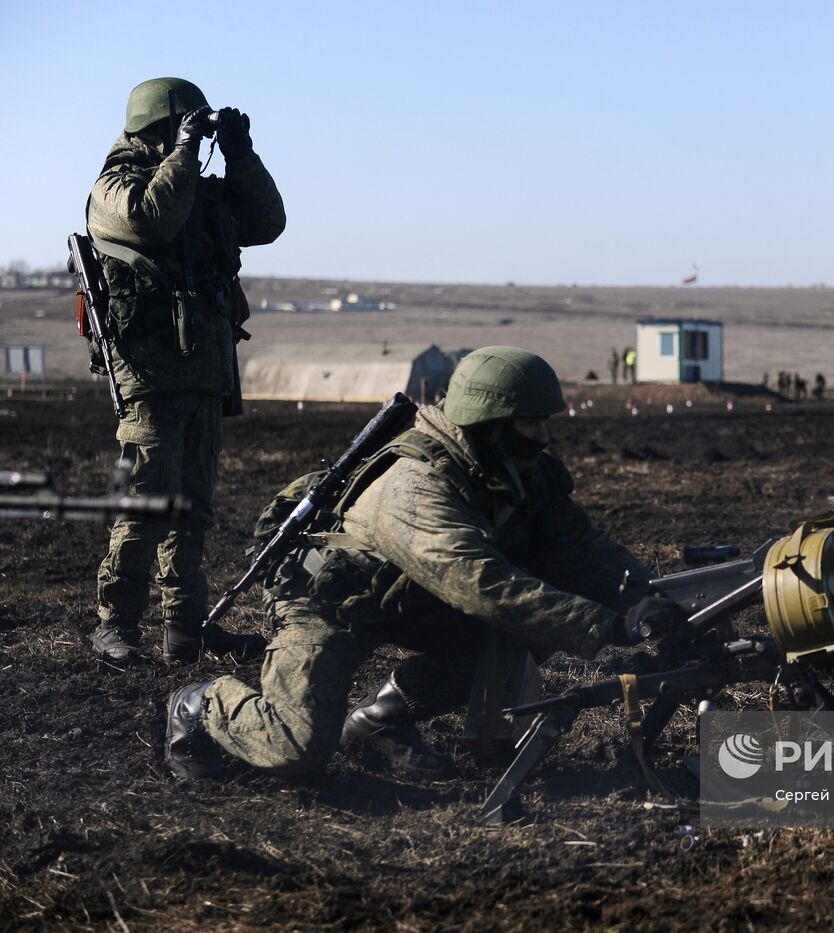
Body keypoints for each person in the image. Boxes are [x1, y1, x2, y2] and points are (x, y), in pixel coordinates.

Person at [165, 347, 691, 781]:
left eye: (545, 422)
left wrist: (641, 594)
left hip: (411, 595)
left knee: (520, 632)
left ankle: (383, 721)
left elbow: (580, 545)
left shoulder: (519, 468)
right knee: (295, 747)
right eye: (530, 423)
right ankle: (199, 704)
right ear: (488, 422)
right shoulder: (415, 486)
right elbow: (480, 584)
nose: (544, 436)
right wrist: (606, 624)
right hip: (330, 604)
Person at [88, 77, 285, 664]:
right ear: (154, 132)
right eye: (179, 131)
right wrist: (181, 152)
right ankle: (115, 625)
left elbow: (268, 222)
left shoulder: (200, 189)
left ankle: (185, 628)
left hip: (203, 370)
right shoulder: (114, 188)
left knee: (193, 508)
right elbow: (152, 221)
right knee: (144, 503)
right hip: (149, 375)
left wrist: (240, 153)